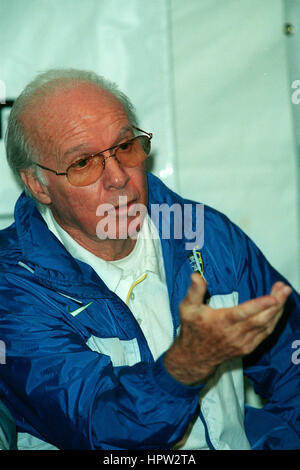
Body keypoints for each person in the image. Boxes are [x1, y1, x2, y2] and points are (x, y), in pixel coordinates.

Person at [0, 68, 299, 451]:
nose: (119, 178)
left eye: (125, 146)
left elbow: (292, 363)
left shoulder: (205, 235)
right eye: (84, 163)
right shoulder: (14, 286)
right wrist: (184, 367)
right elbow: (101, 427)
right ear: (39, 185)